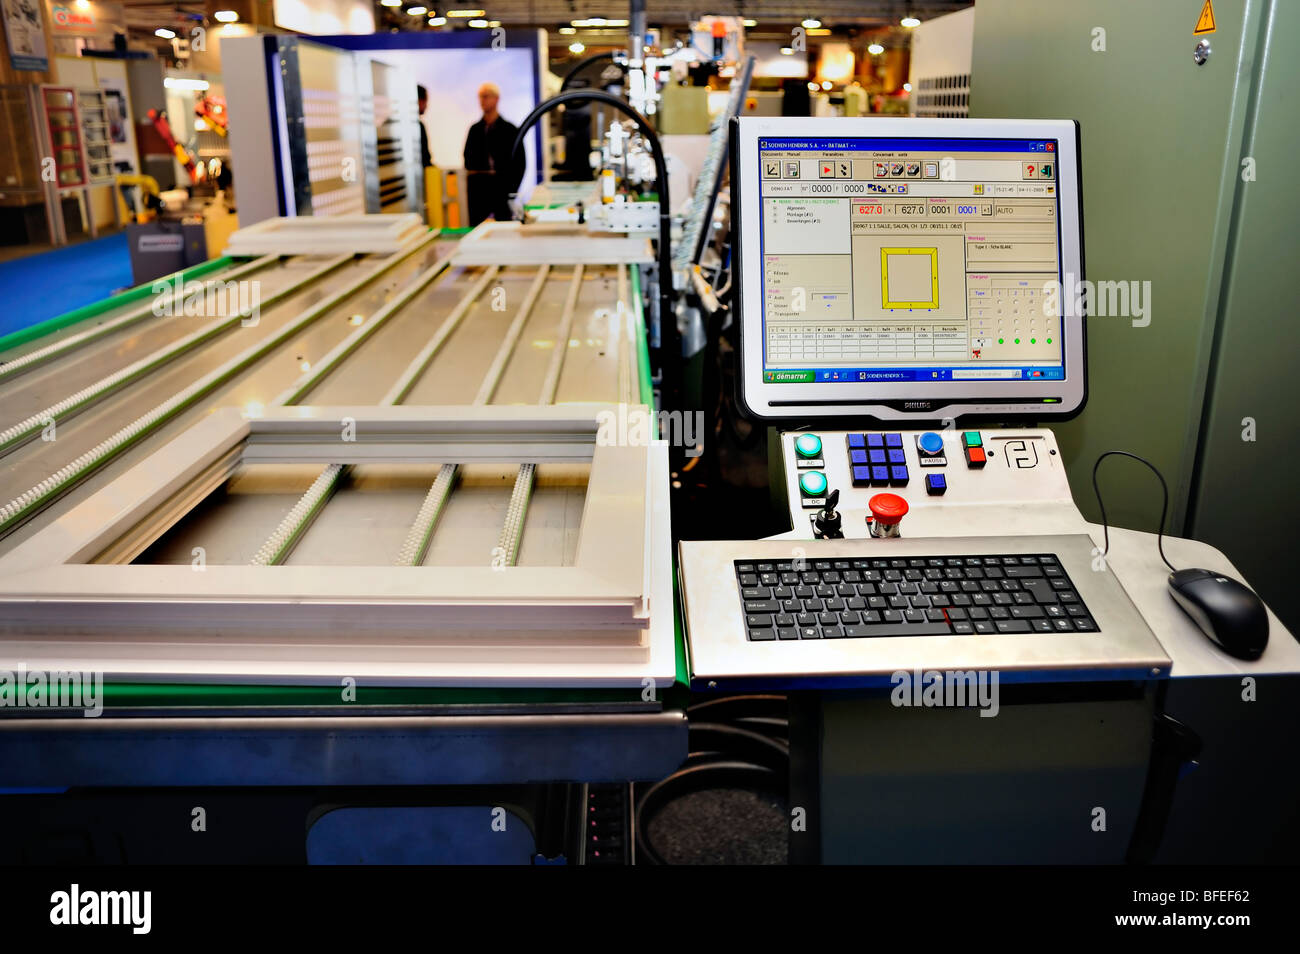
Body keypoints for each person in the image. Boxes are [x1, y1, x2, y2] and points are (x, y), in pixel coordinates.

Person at [462, 82, 524, 225]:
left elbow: (520, 163)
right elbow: (467, 159)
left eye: (485, 96)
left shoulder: (510, 130)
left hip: (502, 191)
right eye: (480, 97)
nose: (482, 101)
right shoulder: (475, 130)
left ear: (496, 99)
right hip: (479, 194)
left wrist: (511, 191)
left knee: (505, 230)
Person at [417, 85, 431, 168]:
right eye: (426, 101)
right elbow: (425, 158)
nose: (426, 106)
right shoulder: (419, 127)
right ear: (419, 101)